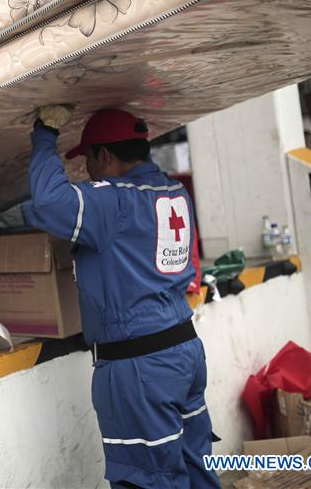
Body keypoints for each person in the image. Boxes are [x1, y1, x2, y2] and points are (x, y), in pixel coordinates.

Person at [29, 106, 219, 489]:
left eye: (87, 160)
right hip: (184, 352)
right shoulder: (174, 191)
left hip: (140, 370)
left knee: (148, 479)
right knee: (195, 466)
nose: (87, 172)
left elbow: (49, 203)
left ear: (104, 156)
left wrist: (45, 133)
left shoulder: (114, 201)